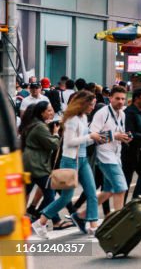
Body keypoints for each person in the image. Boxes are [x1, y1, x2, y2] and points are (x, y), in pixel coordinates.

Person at [33, 90, 103, 238]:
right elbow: (70, 141)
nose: (92, 107)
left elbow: (84, 140)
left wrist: (96, 138)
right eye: (91, 105)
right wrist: (90, 136)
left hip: (82, 160)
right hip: (70, 160)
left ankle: (93, 226)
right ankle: (41, 221)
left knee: (92, 193)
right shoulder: (72, 119)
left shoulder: (83, 117)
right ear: (83, 104)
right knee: (66, 197)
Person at [90, 84, 133, 214]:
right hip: (104, 156)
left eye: (122, 99)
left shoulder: (122, 114)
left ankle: (80, 215)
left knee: (108, 191)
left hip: (116, 155)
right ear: (110, 98)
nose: (120, 101)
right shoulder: (102, 113)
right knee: (121, 188)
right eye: (117, 98)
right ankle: (118, 222)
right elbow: (92, 135)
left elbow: (119, 132)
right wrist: (115, 136)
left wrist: (125, 137)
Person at [20, 101, 59, 217]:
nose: (52, 112)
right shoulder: (40, 127)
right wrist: (56, 134)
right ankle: (42, 217)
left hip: (30, 162)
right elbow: (53, 144)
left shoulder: (34, 124)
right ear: (42, 113)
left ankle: (29, 215)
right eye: (49, 110)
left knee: (25, 191)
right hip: (37, 164)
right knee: (50, 193)